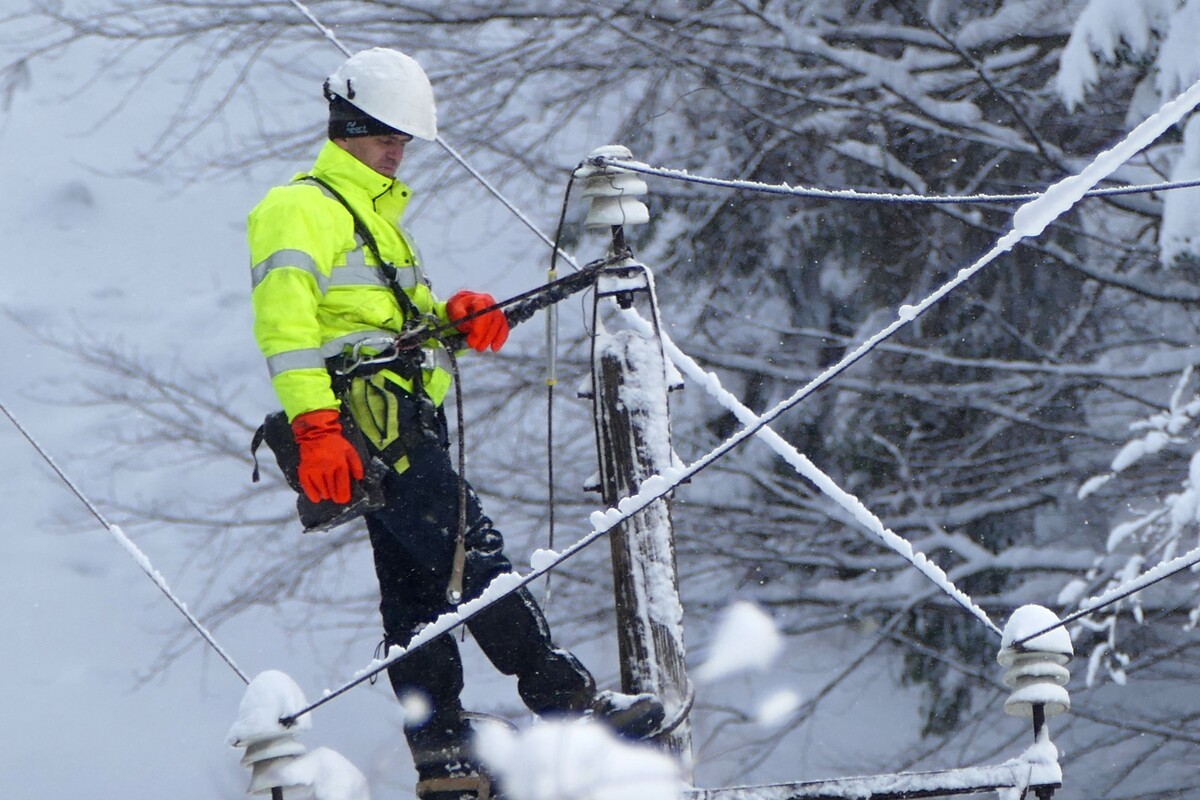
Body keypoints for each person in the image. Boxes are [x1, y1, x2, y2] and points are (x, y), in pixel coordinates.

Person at [247, 47, 663, 799]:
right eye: (384, 137)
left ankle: (442, 749)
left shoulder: (371, 213)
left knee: (415, 592)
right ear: (345, 128)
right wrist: (314, 427)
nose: (396, 152)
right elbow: (288, 329)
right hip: (369, 423)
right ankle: (567, 703)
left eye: (403, 140)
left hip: (400, 415)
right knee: (471, 555)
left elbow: (373, 318)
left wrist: (452, 319)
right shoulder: (298, 206)